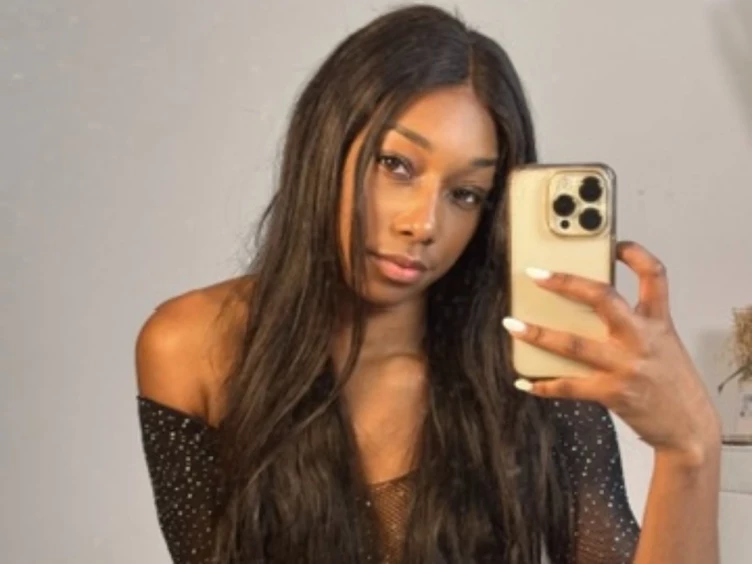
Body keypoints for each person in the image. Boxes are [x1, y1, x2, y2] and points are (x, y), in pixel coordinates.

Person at [135, 4, 721, 564]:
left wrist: (690, 448)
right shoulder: (193, 347)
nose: (424, 224)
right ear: (326, 141)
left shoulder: (528, 368)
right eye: (396, 166)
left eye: (465, 194)